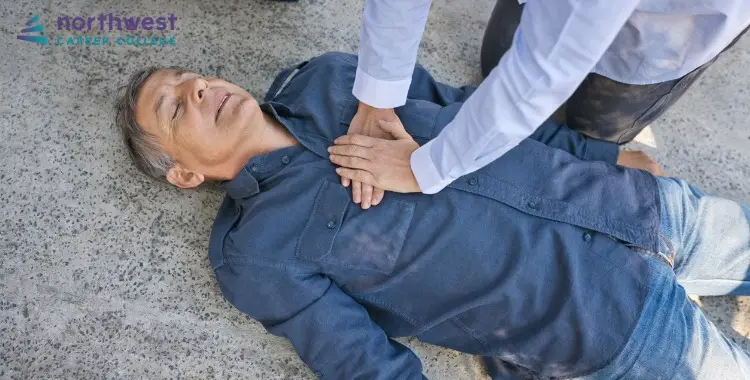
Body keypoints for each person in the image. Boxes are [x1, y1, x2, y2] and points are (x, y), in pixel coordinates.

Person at [114, 52, 750, 379]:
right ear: (185, 173)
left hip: (636, 208)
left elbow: (476, 110)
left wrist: (601, 154)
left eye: (191, 77)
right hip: (607, 321)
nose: (199, 89)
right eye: (175, 108)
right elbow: (360, 361)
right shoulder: (257, 255)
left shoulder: (332, 79)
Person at [336, 0, 750, 209]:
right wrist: (378, 96)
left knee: (596, 122)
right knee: (496, 62)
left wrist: (425, 169)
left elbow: (546, 69)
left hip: (669, 26)